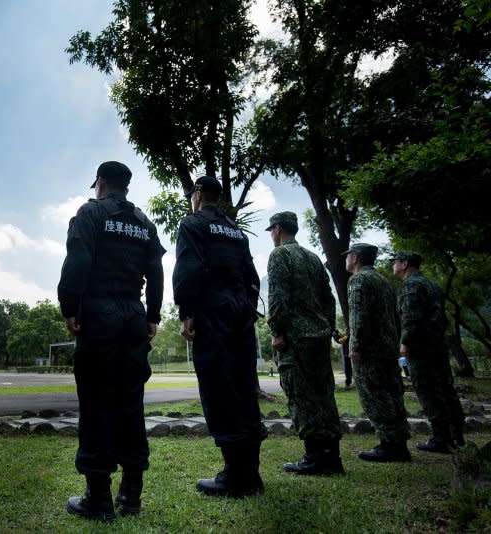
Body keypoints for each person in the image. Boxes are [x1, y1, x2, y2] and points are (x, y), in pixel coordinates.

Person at [58, 161, 165, 521]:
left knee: (96, 404)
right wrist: (152, 316)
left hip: (99, 318)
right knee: (130, 404)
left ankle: (98, 498)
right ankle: (131, 496)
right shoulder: (144, 224)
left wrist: (69, 306)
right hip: (133, 319)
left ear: (100, 183)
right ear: (127, 188)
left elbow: (78, 261)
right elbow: (156, 271)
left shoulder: (90, 214)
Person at [173, 176, 267, 498]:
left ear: (198, 195)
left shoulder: (192, 224)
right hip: (240, 316)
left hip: (212, 316)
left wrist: (187, 312)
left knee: (219, 389)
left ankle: (234, 476)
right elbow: (252, 277)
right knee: (243, 389)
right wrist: (246, 310)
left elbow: (188, 270)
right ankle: (251, 474)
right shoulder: (236, 230)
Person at [265, 211, 344, 475]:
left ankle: (314, 457)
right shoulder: (311, 258)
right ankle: (332, 456)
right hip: (319, 337)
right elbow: (329, 299)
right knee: (323, 394)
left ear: (277, 229)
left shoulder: (280, 255)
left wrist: (276, 331)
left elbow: (277, 298)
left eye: (272, 232)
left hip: (295, 339)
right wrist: (327, 328)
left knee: (301, 395)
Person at [392, 251, 465, 453]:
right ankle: (456, 434)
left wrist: (405, 342)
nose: (393, 266)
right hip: (437, 345)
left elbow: (411, 317)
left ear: (404, 264)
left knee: (428, 390)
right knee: (446, 388)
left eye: (395, 262)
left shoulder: (411, 286)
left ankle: (440, 439)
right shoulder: (431, 284)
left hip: (420, 347)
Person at [345, 243, 411, 462]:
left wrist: (355, 346)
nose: (346, 260)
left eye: (348, 257)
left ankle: (390, 445)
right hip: (387, 348)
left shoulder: (359, 280)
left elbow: (358, 317)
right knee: (392, 395)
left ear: (355, 258)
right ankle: (398, 442)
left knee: (375, 396)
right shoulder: (383, 280)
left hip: (370, 351)